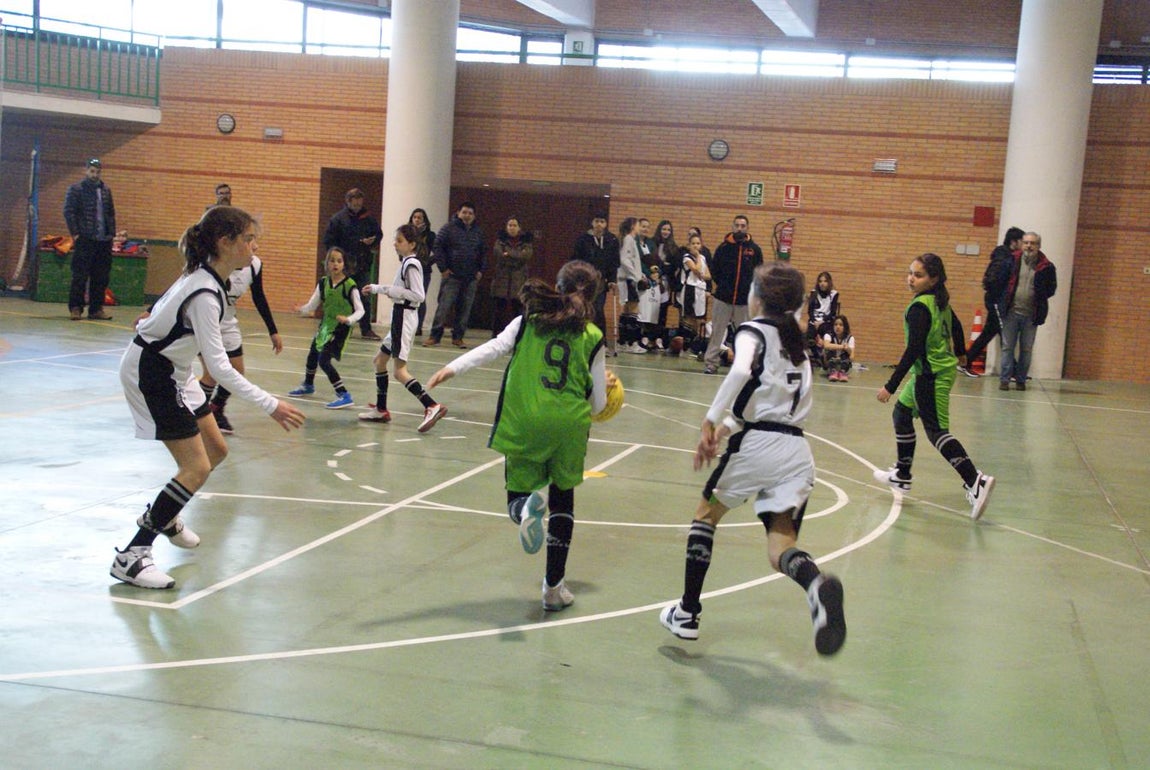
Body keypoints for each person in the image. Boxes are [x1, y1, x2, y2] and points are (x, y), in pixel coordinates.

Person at [112, 206, 305, 589]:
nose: (254, 246)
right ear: (225, 242)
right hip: (153, 373)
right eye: (248, 239)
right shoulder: (205, 292)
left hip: (176, 372)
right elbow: (219, 368)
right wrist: (271, 405)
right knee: (195, 467)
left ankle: (163, 516)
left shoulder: (207, 279)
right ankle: (132, 556)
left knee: (215, 451)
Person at [659, 262, 847, 657]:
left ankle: (688, 612)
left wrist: (709, 422)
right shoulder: (798, 345)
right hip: (796, 451)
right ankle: (816, 586)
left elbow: (742, 371)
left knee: (705, 516)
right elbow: (765, 400)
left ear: (758, 298)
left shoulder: (752, 331)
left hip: (758, 446)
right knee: (781, 549)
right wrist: (725, 429)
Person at [427, 260, 611, 612]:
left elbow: (493, 348)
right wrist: (605, 389)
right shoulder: (593, 336)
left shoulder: (528, 321)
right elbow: (599, 403)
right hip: (568, 424)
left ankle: (525, 508)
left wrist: (452, 367)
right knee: (563, 501)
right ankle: (553, 589)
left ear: (557, 287)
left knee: (518, 497)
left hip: (525, 415)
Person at [874, 253, 995, 520]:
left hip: (932, 376)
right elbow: (957, 324)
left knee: (937, 432)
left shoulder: (920, 308)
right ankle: (902, 475)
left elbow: (914, 349)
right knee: (902, 414)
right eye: (910, 273)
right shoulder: (938, 301)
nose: (911, 279)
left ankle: (976, 481)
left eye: (918, 275)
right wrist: (964, 355)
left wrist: (890, 385)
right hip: (925, 373)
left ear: (934, 279)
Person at [358, 225, 449, 432]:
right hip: (400, 316)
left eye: (399, 240)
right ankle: (381, 409)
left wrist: (385, 290)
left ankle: (431, 405)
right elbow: (399, 290)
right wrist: (378, 289)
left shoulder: (412, 264)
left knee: (399, 372)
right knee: (379, 361)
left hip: (405, 317)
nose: (395, 244)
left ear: (412, 244)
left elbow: (418, 295)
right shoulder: (407, 263)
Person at [197, 248, 283, 434]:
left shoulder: (254, 265)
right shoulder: (212, 259)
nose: (255, 246)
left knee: (237, 371)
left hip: (228, 322)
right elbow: (182, 285)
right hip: (205, 319)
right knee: (211, 374)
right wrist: (152, 309)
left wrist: (273, 330)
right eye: (248, 239)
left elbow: (259, 297)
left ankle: (216, 408)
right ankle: (195, 413)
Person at [288, 247, 364, 409]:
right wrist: (301, 309)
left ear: (344, 264)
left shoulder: (350, 286)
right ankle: (308, 385)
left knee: (324, 360)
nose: (335, 264)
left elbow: (360, 310)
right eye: (332, 260)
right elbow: (313, 304)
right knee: (313, 354)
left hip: (340, 328)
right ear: (327, 263)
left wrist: (349, 319)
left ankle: (344, 394)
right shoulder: (323, 283)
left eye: (339, 261)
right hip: (325, 326)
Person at [959, 226, 1024, 377]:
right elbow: (994, 281)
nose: (1023, 245)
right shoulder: (1003, 258)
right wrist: (999, 298)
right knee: (1005, 334)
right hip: (996, 300)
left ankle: (965, 362)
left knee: (988, 333)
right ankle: (1013, 372)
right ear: (1014, 242)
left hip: (998, 301)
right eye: (1021, 241)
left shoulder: (1008, 257)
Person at [703, 215, 763, 374]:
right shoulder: (723, 248)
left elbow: (759, 273)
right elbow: (714, 270)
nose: (739, 228)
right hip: (723, 298)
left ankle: (746, 366)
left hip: (744, 301)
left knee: (745, 335)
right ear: (732, 226)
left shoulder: (754, 250)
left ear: (747, 228)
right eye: (737, 225)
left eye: (743, 225)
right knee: (717, 332)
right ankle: (711, 364)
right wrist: (723, 285)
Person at [998, 232, 1058, 391]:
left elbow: (1051, 289)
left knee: (1026, 349)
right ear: (1021, 244)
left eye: (1033, 243)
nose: (1029, 246)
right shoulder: (1011, 261)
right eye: (1026, 243)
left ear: (1039, 246)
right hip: (1011, 312)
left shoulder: (1047, 267)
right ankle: (1004, 380)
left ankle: (1020, 380)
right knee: (1007, 347)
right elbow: (1000, 282)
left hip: (1031, 314)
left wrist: (1039, 295)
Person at [323, 188, 383, 341]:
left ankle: (366, 329)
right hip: (345, 265)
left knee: (365, 296)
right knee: (342, 297)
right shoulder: (338, 219)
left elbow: (378, 234)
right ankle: (338, 327)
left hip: (363, 264)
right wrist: (338, 258)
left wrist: (372, 241)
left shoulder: (368, 218)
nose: (357, 205)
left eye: (359, 202)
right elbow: (329, 242)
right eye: (354, 203)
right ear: (348, 202)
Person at [426, 202, 485, 349]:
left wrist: (480, 271)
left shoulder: (478, 232)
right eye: (464, 212)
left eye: (470, 213)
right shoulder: (448, 228)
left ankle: (458, 337)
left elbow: (483, 252)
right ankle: (435, 336)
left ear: (474, 216)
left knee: (464, 310)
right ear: (458, 213)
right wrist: (443, 268)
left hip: (470, 277)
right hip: (451, 276)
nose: (467, 215)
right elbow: (437, 246)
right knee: (444, 307)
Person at [63, 158, 117, 321]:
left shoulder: (106, 190)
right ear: (86, 171)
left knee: (101, 277)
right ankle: (76, 308)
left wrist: (111, 234)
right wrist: (76, 234)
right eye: (92, 171)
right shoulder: (76, 190)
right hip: (85, 239)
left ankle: (96, 309)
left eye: (98, 172)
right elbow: (69, 212)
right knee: (80, 275)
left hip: (103, 241)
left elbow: (111, 214)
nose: (95, 175)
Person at [571, 213, 620, 356]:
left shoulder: (611, 240)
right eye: (597, 221)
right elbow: (576, 259)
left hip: (601, 282)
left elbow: (614, 263)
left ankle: (601, 343)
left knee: (598, 311)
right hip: (584, 281)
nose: (599, 224)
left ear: (606, 224)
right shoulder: (583, 240)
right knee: (583, 310)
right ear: (592, 223)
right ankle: (581, 340)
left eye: (602, 221)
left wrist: (612, 280)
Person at [489, 216, 533, 336]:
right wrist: (517, 255)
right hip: (501, 279)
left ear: (519, 228)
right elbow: (499, 255)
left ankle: (518, 335)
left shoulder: (526, 242)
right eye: (510, 225)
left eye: (514, 225)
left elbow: (526, 256)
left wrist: (509, 254)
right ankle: (496, 334)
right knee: (499, 310)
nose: (512, 228)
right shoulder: (500, 241)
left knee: (518, 310)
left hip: (518, 280)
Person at [615, 217, 645, 353]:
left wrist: (640, 273)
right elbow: (624, 260)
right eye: (639, 225)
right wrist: (635, 275)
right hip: (629, 279)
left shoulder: (630, 240)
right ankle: (632, 342)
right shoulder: (629, 239)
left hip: (628, 278)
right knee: (633, 310)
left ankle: (622, 342)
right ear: (633, 226)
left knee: (627, 311)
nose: (640, 227)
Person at [409, 208, 436, 336]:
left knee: (420, 298)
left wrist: (427, 262)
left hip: (424, 271)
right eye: (415, 217)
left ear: (424, 219)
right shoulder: (407, 234)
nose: (417, 219)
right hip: (409, 269)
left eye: (420, 217)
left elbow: (437, 252)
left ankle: (418, 326)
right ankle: (408, 324)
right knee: (408, 297)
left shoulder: (430, 236)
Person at [806, 271, 841, 366]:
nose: (822, 283)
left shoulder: (834, 294)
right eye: (820, 281)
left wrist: (822, 321)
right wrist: (814, 321)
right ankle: (817, 356)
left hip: (826, 321)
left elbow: (833, 312)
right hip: (814, 321)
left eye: (825, 281)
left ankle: (827, 358)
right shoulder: (813, 293)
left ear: (829, 282)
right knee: (809, 336)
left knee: (827, 336)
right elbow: (810, 311)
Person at [819, 314, 855, 382]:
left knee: (847, 353)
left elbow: (852, 357)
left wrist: (848, 349)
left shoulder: (850, 338)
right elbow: (826, 345)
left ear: (845, 327)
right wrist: (842, 347)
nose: (838, 327)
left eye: (841, 325)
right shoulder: (828, 335)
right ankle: (832, 371)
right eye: (835, 325)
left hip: (843, 364)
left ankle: (842, 372)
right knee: (827, 350)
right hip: (829, 363)